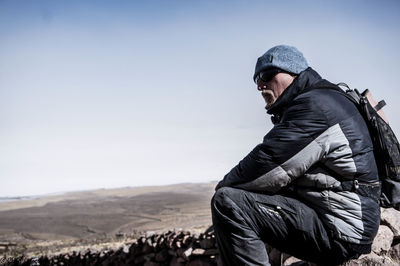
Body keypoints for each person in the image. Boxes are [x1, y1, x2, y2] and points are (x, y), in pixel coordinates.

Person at [211, 45, 381, 266]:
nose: (260, 85)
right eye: (256, 80)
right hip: (348, 221)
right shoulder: (324, 99)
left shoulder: (314, 106)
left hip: (342, 229)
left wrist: (223, 185)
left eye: (266, 75)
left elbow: (268, 164)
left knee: (227, 202)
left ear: (292, 72)